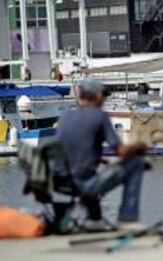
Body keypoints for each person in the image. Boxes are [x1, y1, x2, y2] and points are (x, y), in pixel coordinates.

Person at [56, 78, 147, 229]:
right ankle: (127, 219)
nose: (105, 99)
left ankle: (91, 218)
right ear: (97, 95)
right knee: (136, 163)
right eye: (104, 95)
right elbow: (121, 151)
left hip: (63, 183)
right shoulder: (99, 116)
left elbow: (71, 151)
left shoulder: (66, 117)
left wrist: (101, 160)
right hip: (85, 185)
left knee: (100, 171)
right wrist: (139, 146)